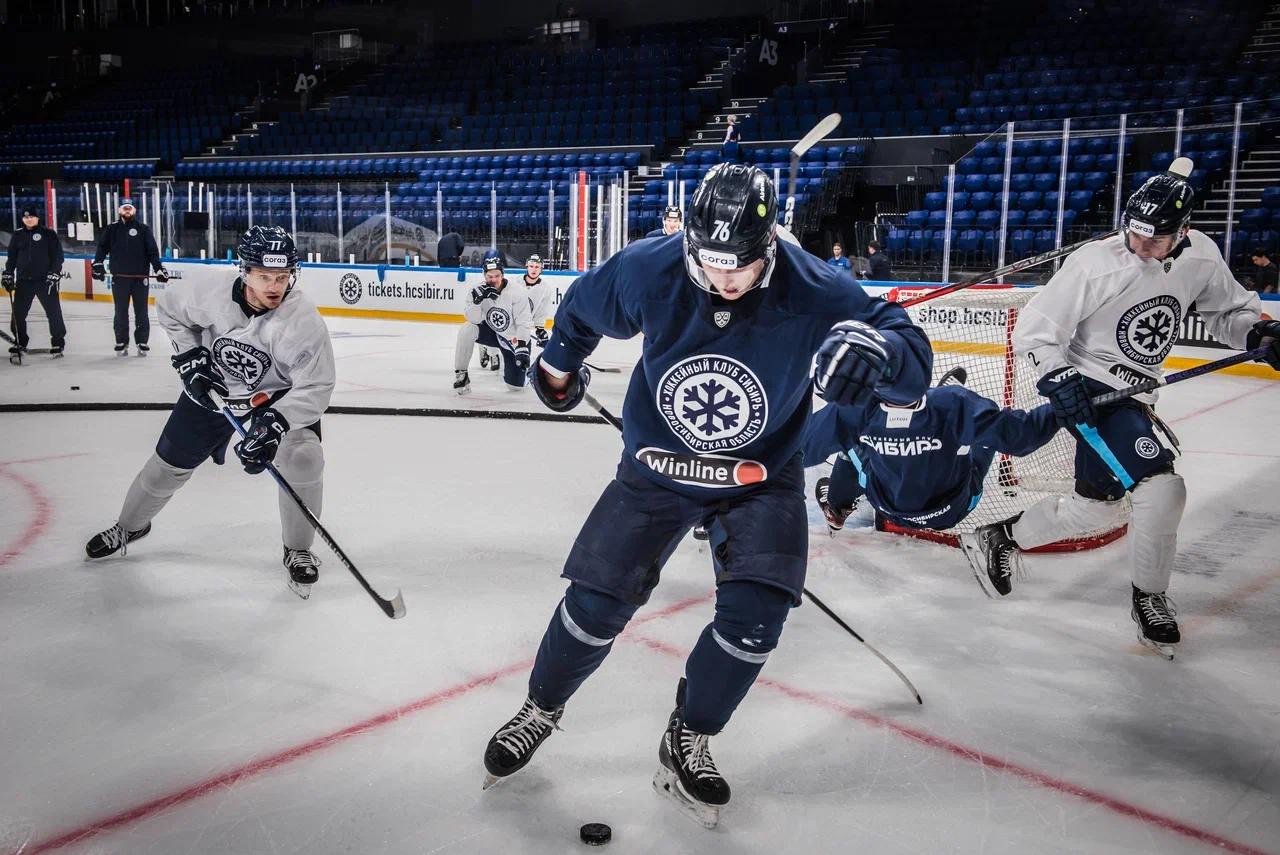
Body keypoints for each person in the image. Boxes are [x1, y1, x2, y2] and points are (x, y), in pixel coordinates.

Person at [480, 163, 932, 827]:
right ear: (690, 240)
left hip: (759, 473)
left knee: (758, 615)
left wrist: (883, 358)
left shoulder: (813, 286)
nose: (724, 280)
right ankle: (541, 706)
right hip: (657, 466)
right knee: (596, 599)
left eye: (740, 269)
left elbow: (910, 359)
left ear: (769, 246)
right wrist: (556, 369)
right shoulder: (651, 267)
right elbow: (580, 307)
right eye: (711, 264)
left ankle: (689, 730)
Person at [959, 160, 1280, 659]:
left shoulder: (1203, 257)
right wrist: (1057, 376)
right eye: (1134, 236)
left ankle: (999, 537)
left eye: (1154, 241)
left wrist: (1255, 333)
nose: (1140, 248)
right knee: (1161, 485)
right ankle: (1148, 598)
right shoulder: (1095, 262)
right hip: (1091, 389)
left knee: (1097, 504)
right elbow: (1036, 330)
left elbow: (1227, 313)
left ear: (1184, 231)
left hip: (1137, 393)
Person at [84, 226, 336, 600]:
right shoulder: (209, 291)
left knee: (303, 459)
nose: (274, 286)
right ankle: (129, 527)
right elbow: (169, 308)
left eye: (282, 277)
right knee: (167, 466)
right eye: (265, 276)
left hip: (274, 398)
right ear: (244, 271)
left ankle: (298, 548)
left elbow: (317, 386)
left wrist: (276, 423)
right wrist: (188, 355)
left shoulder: (302, 321)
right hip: (215, 391)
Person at [803, 367, 1063, 597]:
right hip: (953, 511)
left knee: (850, 445)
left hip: (888, 508)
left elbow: (799, 447)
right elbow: (1022, 436)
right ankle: (952, 399)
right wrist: (1066, 403)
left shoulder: (858, 408)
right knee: (982, 432)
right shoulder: (954, 405)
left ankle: (837, 508)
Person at [92, 198, 170, 356]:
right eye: (124, 208)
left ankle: (142, 341)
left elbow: (152, 253)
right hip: (119, 278)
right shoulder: (112, 229)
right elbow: (102, 248)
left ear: (134, 210)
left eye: (130, 208)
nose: (127, 210)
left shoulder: (143, 229)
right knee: (120, 311)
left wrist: (159, 269)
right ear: (120, 210)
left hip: (140, 278)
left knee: (141, 311)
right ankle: (121, 341)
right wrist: (98, 264)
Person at [453, 258, 532, 395]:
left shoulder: (517, 292)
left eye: (497, 276)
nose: (494, 280)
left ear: (502, 275)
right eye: (490, 276)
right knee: (467, 329)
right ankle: (462, 374)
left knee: (515, 387)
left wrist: (522, 345)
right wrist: (478, 302)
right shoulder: (476, 291)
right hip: (491, 333)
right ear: (484, 276)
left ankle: (523, 374)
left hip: (512, 339)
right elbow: (474, 319)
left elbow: (523, 322)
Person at [3, 207, 66, 358]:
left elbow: (58, 256)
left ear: (38, 218)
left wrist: (54, 273)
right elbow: (11, 258)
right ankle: (20, 341)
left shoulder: (48, 234)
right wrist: (8, 274)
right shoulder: (18, 235)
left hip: (45, 281)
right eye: (25, 217)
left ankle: (58, 342)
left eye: (31, 217)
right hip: (24, 282)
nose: (28, 219)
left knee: (53, 313)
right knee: (18, 315)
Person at [522, 254, 554, 348]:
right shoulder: (514, 282)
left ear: (541, 269)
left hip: (524, 329)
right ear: (527, 267)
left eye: (537, 267)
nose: (534, 269)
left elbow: (541, 312)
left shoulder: (545, 288)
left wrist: (540, 330)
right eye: (531, 266)